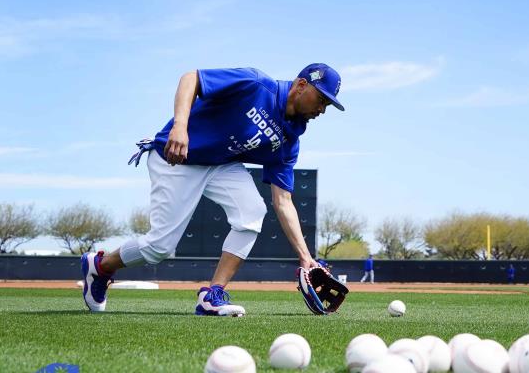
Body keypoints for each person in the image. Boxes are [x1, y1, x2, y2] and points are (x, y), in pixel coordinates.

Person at [81, 63, 344, 316]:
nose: (322, 109)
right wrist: (180, 126)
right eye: (321, 98)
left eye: (327, 104)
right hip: (178, 157)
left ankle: (212, 294)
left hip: (219, 165)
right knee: (158, 248)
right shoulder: (256, 84)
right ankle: (100, 266)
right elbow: (190, 78)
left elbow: (283, 200)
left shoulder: (289, 141)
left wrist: (306, 257)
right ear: (300, 85)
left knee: (252, 212)